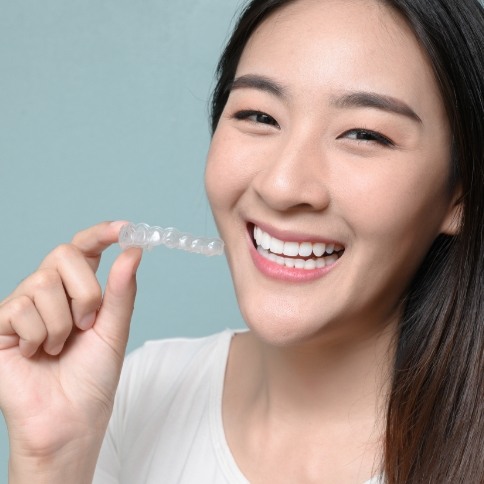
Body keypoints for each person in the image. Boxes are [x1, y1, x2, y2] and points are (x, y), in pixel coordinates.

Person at [0, 0, 483, 482]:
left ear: (458, 195)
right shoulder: (139, 391)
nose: (282, 185)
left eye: (364, 134)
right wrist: (52, 460)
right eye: (259, 116)